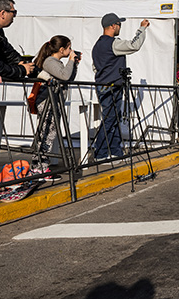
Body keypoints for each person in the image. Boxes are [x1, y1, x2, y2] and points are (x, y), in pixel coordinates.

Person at [91, 13, 149, 162]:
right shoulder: (113, 43)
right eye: (119, 25)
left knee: (113, 119)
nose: (120, 28)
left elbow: (96, 67)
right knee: (110, 120)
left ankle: (116, 152)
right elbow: (133, 45)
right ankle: (101, 154)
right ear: (113, 26)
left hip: (104, 85)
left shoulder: (97, 45)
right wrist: (142, 29)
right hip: (111, 86)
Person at [32, 35, 80, 179]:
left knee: (49, 135)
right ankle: (38, 168)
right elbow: (64, 76)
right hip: (47, 102)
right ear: (61, 49)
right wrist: (71, 60)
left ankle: (41, 167)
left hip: (54, 102)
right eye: (69, 48)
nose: (71, 50)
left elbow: (68, 78)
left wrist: (75, 63)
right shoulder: (50, 61)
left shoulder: (56, 62)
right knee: (45, 134)